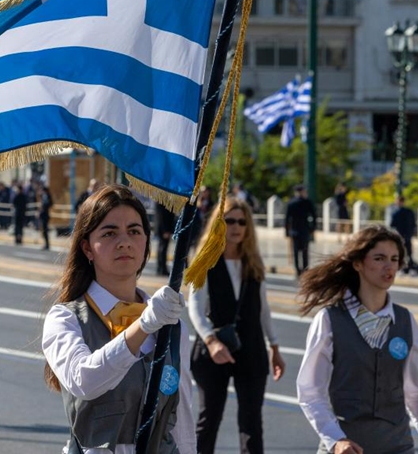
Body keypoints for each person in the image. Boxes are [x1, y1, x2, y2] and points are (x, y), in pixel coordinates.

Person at [42, 184, 195, 453]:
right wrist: (145, 325)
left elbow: (181, 418)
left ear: (146, 241)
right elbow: (84, 380)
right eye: (109, 233)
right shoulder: (65, 318)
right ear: (87, 248)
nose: (124, 241)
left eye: (134, 231)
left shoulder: (170, 323)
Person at [296, 225, 418, 454]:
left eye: (394, 259)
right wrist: (335, 440)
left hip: (398, 446)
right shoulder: (329, 320)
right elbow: (310, 392)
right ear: (357, 264)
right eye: (379, 258)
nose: (389, 266)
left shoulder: (405, 321)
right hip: (346, 448)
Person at [188, 197, 285, 454]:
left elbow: (263, 309)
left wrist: (274, 347)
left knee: (252, 423)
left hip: (251, 347)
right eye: (229, 220)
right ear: (218, 224)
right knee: (209, 418)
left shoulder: (254, 263)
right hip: (214, 348)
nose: (236, 227)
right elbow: (195, 308)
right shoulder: (205, 261)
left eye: (242, 222)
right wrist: (210, 341)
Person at [285, 185, 316, 276]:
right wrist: (312, 228)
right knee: (304, 251)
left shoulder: (291, 203)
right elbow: (314, 216)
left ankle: (298, 270)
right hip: (304, 230)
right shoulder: (307, 202)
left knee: (295, 251)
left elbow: (287, 219)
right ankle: (305, 268)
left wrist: (287, 232)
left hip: (294, 231)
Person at [389, 195, 418, 275]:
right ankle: (409, 267)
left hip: (400, 235)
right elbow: (413, 224)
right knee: (409, 252)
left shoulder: (395, 213)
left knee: (401, 253)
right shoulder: (409, 212)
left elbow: (392, 225)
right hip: (407, 235)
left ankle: (404, 268)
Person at [154, 201, 176, 276]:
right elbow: (161, 216)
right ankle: (162, 268)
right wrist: (165, 230)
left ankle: (161, 268)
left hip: (164, 228)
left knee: (162, 248)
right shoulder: (162, 201)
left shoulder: (163, 200)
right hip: (164, 228)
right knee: (163, 248)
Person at [37, 183, 53, 250]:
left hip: (45, 215)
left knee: (45, 230)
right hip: (44, 215)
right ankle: (46, 244)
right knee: (44, 230)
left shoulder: (46, 196)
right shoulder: (44, 196)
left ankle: (47, 244)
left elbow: (46, 205)